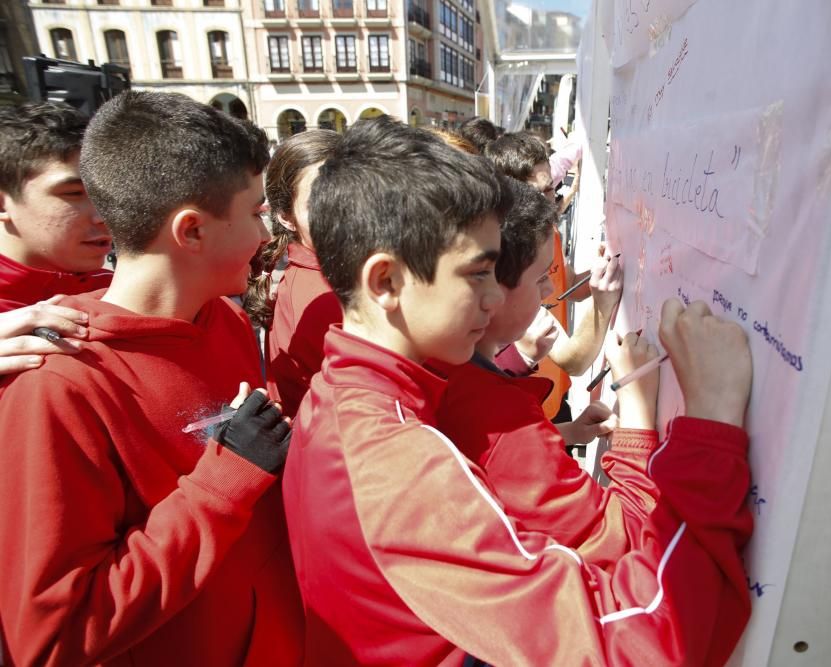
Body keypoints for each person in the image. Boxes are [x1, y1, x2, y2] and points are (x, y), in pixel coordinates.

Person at [283, 116, 754, 665]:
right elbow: (631, 643)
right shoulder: (396, 463)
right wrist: (712, 423)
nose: (495, 296)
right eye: (478, 274)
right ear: (386, 282)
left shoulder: (337, 395)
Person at [0, 91, 303, 665]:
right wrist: (224, 484)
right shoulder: (57, 385)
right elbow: (54, 636)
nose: (267, 236)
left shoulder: (227, 320)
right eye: (256, 212)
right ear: (191, 231)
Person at [435, 179, 668, 566]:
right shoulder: (493, 410)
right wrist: (637, 410)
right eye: (542, 277)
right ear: (491, 290)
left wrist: (562, 434)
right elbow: (624, 539)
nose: (548, 292)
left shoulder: (440, 363)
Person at [485, 131, 622, 421]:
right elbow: (573, 359)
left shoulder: (550, 236)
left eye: (552, 188)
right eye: (540, 193)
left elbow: (568, 284)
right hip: (528, 408)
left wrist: (597, 272)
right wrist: (602, 303)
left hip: (554, 395)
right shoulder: (511, 264)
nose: (552, 201)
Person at [244, 129, 343, 418]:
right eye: (321, 201)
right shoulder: (324, 296)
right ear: (286, 217)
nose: (341, 210)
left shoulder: (317, 276)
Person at [0, 102, 113, 312]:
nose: (105, 216)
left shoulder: (118, 292)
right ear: (2, 205)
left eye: (107, 195)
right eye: (74, 193)